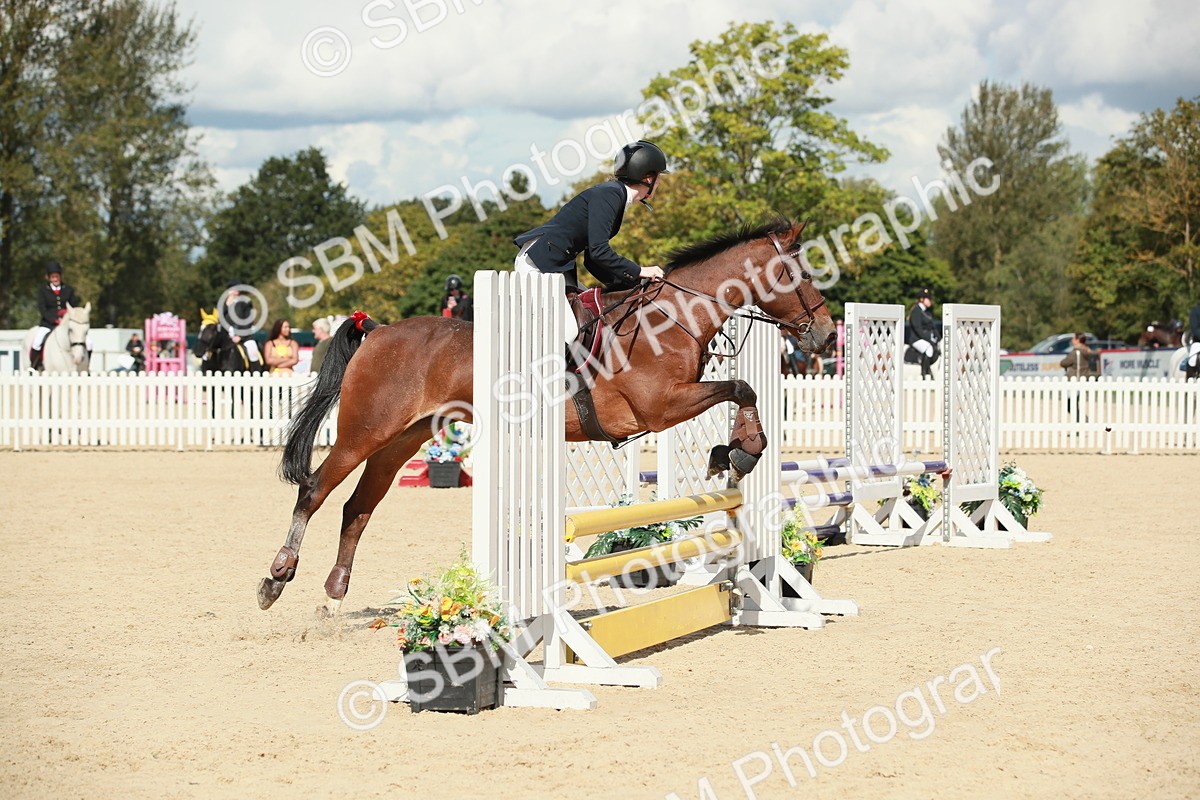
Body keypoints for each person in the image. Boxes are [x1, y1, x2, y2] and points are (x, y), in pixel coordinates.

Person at [513, 141, 669, 339]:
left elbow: (592, 260)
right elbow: (599, 251)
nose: (660, 183)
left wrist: (629, 285)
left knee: (594, 312)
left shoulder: (615, 195)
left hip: (556, 266)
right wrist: (639, 271)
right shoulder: (611, 195)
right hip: (539, 263)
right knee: (571, 330)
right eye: (659, 177)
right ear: (648, 177)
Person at [30, 260, 85, 370]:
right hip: (48, 323)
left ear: (60, 276)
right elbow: (42, 308)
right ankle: (35, 366)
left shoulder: (68, 289)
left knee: (88, 342)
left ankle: (85, 366)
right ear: (49, 277)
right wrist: (54, 319)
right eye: (53, 277)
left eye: (57, 276)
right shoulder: (43, 290)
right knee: (37, 341)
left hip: (67, 324)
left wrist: (67, 314)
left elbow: (74, 306)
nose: (55, 279)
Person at [907, 288, 939, 379]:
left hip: (926, 338)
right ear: (922, 299)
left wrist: (939, 338)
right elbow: (918, 329)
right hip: (917, 339)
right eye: (928, 299)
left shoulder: (927, 312)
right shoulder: (916, 311)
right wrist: (929, 340)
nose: (930, 301)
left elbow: (933, 327)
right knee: (928, 348)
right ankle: (925, 373)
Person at [1186, 302, 1200, 380]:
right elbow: (1195, 329)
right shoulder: (1195, 311)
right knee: (1193, 359)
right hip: (1198, 341)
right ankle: (1189, 382)